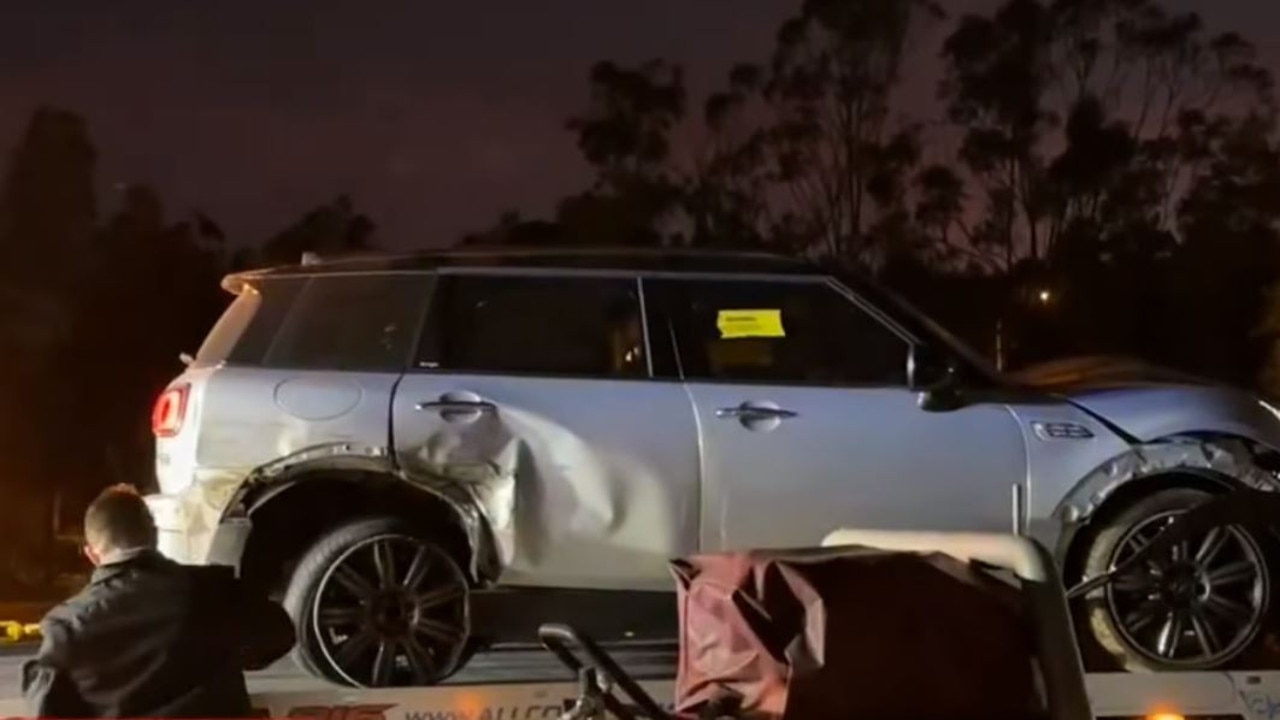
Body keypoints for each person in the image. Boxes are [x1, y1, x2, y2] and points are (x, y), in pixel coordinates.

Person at [22, 483, 296, 718]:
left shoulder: (66, 627)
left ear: (91, 554)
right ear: (154, 537)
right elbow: (280, 635)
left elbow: (46, 710)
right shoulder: (214, 591)